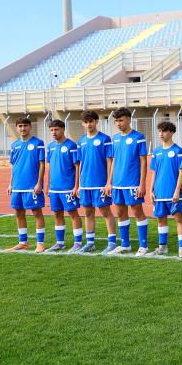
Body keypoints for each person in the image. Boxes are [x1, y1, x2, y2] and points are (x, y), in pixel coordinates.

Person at [104, 107, 148, 256]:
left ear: (129, 119)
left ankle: (143, 246)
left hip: (133, 183)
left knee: (137, 211)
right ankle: (125, 245)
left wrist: (142, 183)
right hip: (117, 184)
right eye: (116, 121)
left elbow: (143, 162)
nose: (118, 123)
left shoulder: (138, 137)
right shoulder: (115, 138)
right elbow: (114, 161)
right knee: (120, 212)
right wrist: (109, 182)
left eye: (121, 120)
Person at [75, 111, 115, 253]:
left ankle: (112, 243)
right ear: (82, 124)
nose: (89, 124)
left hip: (100, 184)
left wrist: (108, 182)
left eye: (91, 121)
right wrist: (79, 185)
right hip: (85, 184)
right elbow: (80, 163)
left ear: (96, 121)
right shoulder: (81, 141)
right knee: (88, 213)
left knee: (105, 212)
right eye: (86, 122)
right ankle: (90, 243)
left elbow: (110, 161)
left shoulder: (105, 139)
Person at [4, 117, 46, 252]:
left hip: (32, 186)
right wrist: (10, 184)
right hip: (17, 186)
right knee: (18, 213)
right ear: (17, 128)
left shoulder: (38, 143)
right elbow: (13, 165)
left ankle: (40, 243)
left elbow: (42, 164)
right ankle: (23, 243)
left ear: (30, 127)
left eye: (25, 126)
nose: (23, 128)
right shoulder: (14, 145)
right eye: (20, 126)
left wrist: (39, 183)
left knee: (36, 212)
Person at [147, 121, 182, 257]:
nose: (161, 134)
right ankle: (162, 247)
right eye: (159, 131)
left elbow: (181, 173)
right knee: (160, 219)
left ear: (172, 132)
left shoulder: (178, 151)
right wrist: (151, 190)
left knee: (179, 218)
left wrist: (177, 191)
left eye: (164, 131)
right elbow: (154, 172)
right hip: (159, 193)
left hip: (173, 193)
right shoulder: (156, 152)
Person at [45, 120, 82, 253]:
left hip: (68, 187)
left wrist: (76, 186)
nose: (53, 132)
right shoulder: (50, 146)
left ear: (63, 129)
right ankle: (59, 243)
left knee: (73, 213)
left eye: (56, 129)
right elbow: (50, 167)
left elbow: (77, 167)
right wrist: (48, 185)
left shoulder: (71, 145)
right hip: (54, 188)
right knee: (57, 213)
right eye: (51, 130)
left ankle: (78, 243)